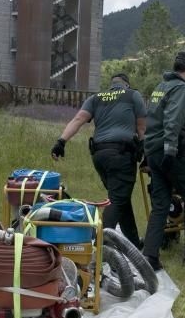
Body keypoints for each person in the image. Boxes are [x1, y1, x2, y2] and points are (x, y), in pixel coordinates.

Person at [51, 73, 146, 248]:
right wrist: (144, 149)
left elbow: (78, 119)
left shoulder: (96, 98)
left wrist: (61, 142)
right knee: (118, 199)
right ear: (126, 84)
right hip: (121, 154)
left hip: (99, 156)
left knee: (121, 199)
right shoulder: (133, 95)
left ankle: (133, 242)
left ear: (111, 85)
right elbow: (141, 126)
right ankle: (100, 244)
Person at [141, 51, 185, 268]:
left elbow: (150, 120)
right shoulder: (181, 89)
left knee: (161, 204)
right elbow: (172, 121)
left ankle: (150, 256)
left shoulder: (160, 87)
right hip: (172, 152)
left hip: (153, 152)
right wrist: (171, 151)